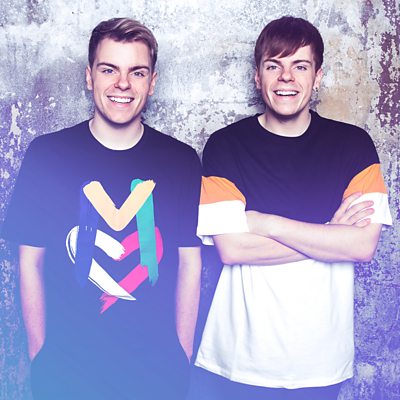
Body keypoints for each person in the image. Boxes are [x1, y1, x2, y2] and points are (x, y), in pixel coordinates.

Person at [189, 16, 392, 400]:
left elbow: (361, 246)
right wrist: (330, 234)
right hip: (238, 358)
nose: (286, 78)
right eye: (273, 66)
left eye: (300, 66)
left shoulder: (354, 146)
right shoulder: (225, 145)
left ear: (317, 77)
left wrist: (264, 223)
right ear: (257, 77)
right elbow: (233, 249)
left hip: (321, 361)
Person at [2, 17, 202, 400]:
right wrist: (39, 355)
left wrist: (182, 355)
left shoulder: (180, 160)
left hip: (156, 373)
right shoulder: (48, 155)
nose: (122, 83)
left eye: (137, 72)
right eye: (109, 69)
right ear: (89, 76)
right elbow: (29, 261)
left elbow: (190, 262)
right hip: (66, 372)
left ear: (152, 82)